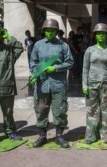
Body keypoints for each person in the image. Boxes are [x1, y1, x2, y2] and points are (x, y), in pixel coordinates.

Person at [30, 18, 74, 148]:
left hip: (58, 84)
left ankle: (59, 136)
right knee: (41, 110)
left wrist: (56, 68)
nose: (50, 33)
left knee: (60, 110)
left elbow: (70, 62)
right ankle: (42, 136)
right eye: (47, 30)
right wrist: (35, 72)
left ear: (56, 32)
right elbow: (33, 62)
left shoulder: (63, 45)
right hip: (42, 84)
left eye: (52, 30)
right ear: (44, 31)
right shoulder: (38, 45)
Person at [82, 23, 107, 144]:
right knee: (92, 110)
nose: (101, 36)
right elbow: (85, 68)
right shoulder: (89, 50)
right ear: (95, 35)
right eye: (98, 33)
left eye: (103, 33)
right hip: (92, 84)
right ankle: (91, 135)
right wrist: (84, 84)